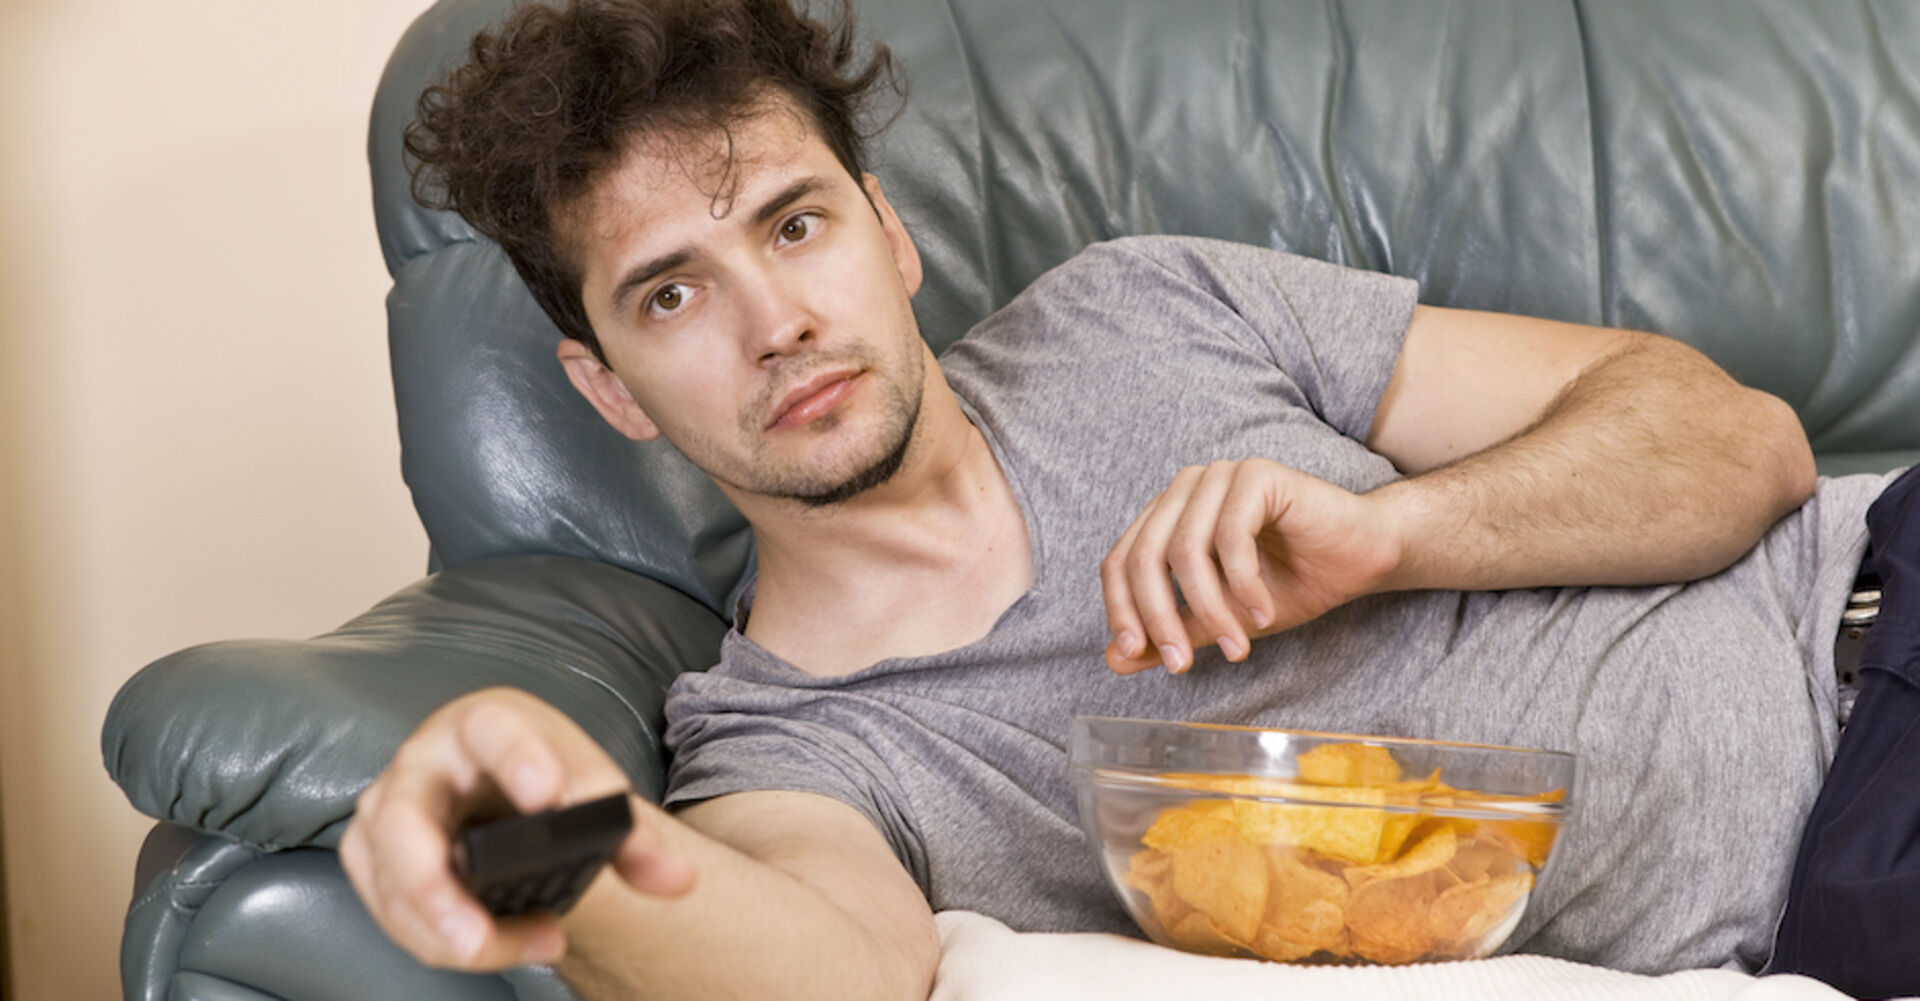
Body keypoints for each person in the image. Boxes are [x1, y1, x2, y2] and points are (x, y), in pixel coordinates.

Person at [336, 0, 1912, 997]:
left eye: (795, 225)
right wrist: (550, 842)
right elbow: (834, 972)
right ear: (609, 386)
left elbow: (1738, 438)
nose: (774, 320)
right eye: (671, 297)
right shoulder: (788, 741)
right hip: (1857, 875)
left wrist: (1389, 535)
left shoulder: (1137, 307)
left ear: (889, 235)